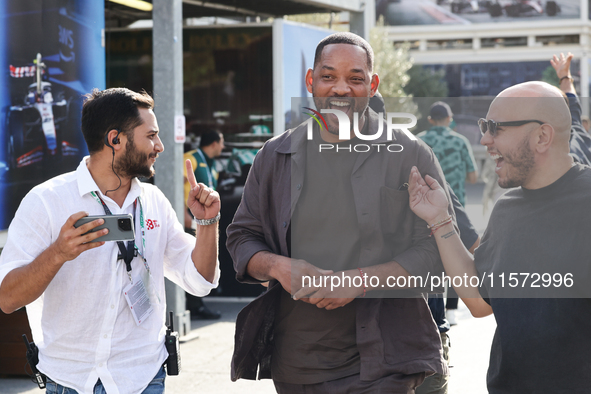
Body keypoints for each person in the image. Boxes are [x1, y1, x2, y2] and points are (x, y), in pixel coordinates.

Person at [227, 32, 454, 393]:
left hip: (389, 358)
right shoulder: (274, 156)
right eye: (329, 76)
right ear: (311, 80)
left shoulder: (410, 154)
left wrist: (360, 280)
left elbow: (440, 251)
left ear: (373, 84)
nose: (341, 89)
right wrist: (278, 267)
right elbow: (241, 237)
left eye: (355, 78)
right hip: (299, 362)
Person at [0, 88, 221, 394]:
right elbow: (8, 299)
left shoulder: (153, 201)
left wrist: (207, 222)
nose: (160, 146)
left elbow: (201, 281)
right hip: (69, 381)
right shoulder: (46, 201)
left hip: (143, 377)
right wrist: (58, 254)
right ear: (115, 139)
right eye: (151, 135)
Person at [408, 80, 591, 393]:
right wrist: (440, 220)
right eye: (484, 126)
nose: (484, 139)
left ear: (542, 136)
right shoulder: (507, 209)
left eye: (496, 128)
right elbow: (480, 301)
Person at [416, 101, 478, 326]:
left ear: (430, 119)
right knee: (456, 254)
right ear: (450, 119)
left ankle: (433, 312)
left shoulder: (419, 140)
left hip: (424, 207)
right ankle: (451, 309)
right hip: (455, 206)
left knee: (431, 254)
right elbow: (473, 177)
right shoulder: (460, 141)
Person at [183, 129, 225, 320]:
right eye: (222, 143)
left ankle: (198, 303)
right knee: (190, 261)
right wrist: (182, 213)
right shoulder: (189, 158)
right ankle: (194, 306)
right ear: (214, 143)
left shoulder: (212, 165)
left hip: (204, 220)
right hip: (187, 219)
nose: (223, 147)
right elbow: (174, 182)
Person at [550, 52, 591, 165]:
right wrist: (564, 77)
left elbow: (571, 102)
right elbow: (571, 101)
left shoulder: (553, 157)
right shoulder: (576, 130)